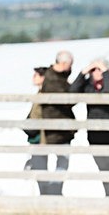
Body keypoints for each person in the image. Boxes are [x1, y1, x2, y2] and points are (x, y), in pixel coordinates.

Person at [70, 59, 109, 196]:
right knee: (105, 169)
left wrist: (106, 71)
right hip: (96, 135)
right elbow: (72, 93)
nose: (97, 72)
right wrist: (83, 72)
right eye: (94, 70)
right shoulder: (89, 88)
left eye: (100, 69)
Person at [39, 50, 76, 195]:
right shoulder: (53, 80)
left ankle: (54, 191)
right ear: (64, 63)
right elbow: (67, 100)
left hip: (60, 129)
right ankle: (53, 191)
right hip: (56, 130)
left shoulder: (56, 78)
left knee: (61, 162)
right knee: (61, 162)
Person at [23, 66, 48, 192]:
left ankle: (46, 194)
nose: (33, 78)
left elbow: (38, 115)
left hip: (40, 137)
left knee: (40, 166)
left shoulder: (43, 94)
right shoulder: (39, 94)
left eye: (36, 75)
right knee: (39, 166)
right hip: (36, 136)